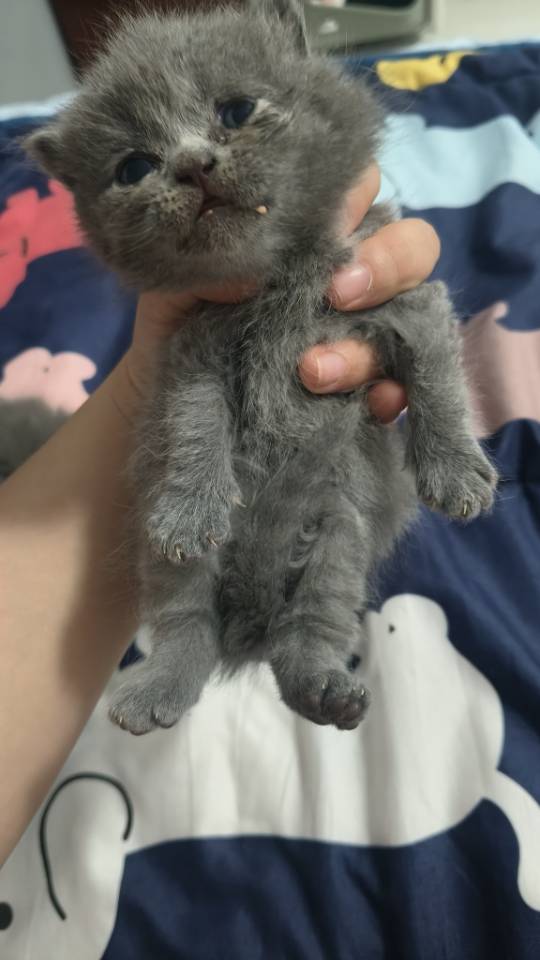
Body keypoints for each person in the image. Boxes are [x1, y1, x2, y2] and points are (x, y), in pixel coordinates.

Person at [0, 164, 440, 864]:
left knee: (340, 518)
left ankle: (310, 648)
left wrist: (447, 445)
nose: (200, 166)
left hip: (325, 459)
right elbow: (192, 377)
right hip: (197, 448)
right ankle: (187, 640)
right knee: (185, 504)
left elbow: (427, 337)